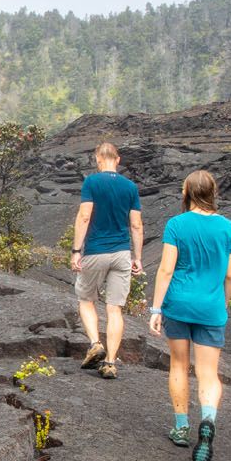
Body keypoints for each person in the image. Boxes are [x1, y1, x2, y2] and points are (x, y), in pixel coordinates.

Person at [148, 170, 231, 461]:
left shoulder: (177, 224)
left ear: (186, 192)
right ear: (213, 192)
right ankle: (208, 419)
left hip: (179, 305)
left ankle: (182, 426)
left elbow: (165, 270)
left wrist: (156, 308)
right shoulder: (227, 228)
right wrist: (222, 305)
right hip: (211, 308)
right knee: (208, 373)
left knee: (178, 364)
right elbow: (229, 274)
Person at [71, 142, 144, 379]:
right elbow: (136, 224)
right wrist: (138, 257)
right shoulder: (130, 187)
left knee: (85, 298)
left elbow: (84, 216)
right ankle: (110, 362)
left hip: (95, 251)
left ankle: (95, 343)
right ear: (118, 159)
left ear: (98, 159)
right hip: (122, 253)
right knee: (115, 309)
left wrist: (76, 250)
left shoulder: (92, 182)